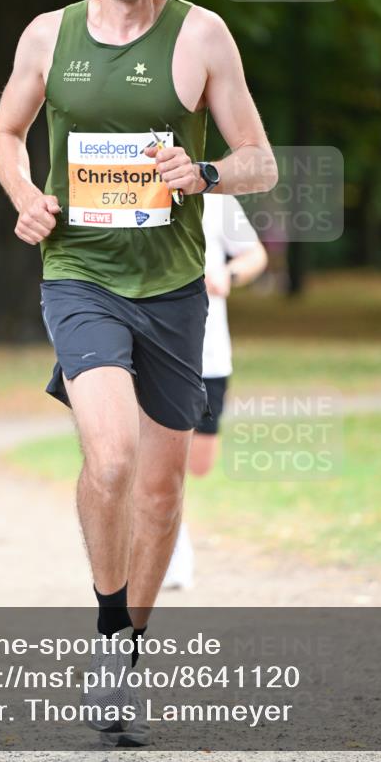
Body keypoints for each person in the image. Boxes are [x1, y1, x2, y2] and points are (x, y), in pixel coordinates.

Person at [0, 0, 278, 745]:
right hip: (79, 273)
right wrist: (25, 197)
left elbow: (259, 160)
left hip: (175, 287)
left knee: (158, 489)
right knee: (110, 459)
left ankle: (125, 655)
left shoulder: (201, 35)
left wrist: (207, 172)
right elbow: (5, 133)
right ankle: (108, 621)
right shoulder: (48, 35)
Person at [162, 193, 268, 590]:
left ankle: (166, 524)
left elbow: (255, 254)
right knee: (157, 456)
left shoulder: (217, 199)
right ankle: (170, 545)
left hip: (209, 355)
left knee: (198, 462)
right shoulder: (128, 189)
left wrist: (228, 274)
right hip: (154, 351)